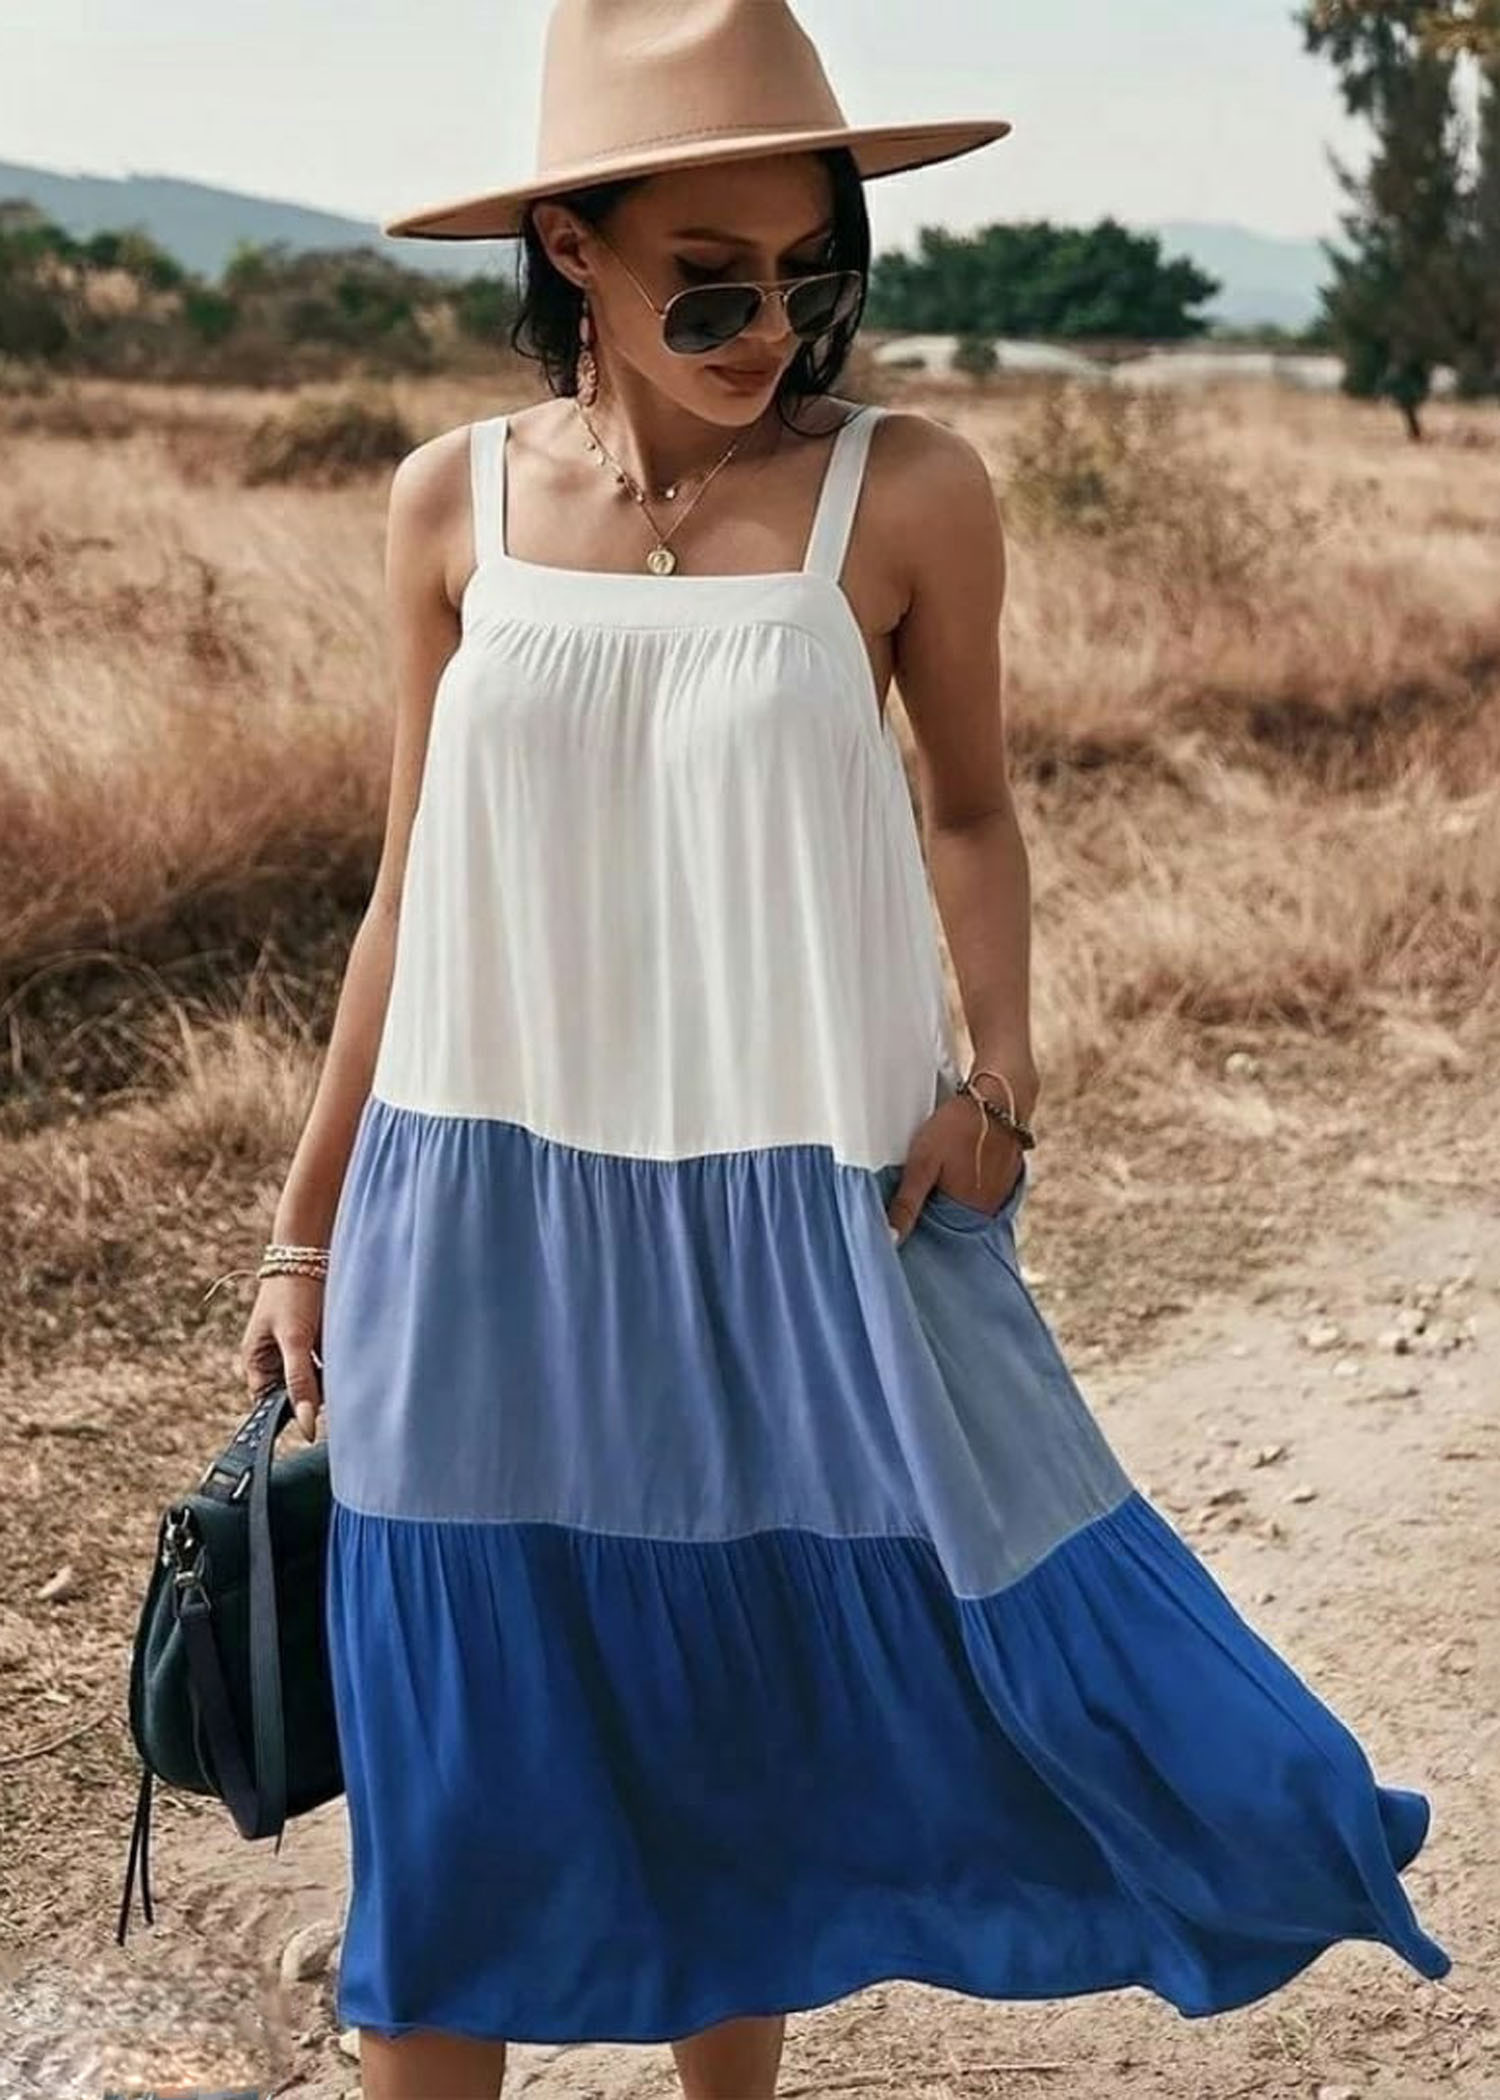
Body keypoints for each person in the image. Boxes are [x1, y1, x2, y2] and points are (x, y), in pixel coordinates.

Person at [237, 3, 1451, 2096]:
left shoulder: (907, 493)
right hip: (477, 1216)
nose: (773, 325)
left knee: (748, 1724)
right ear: (571, 247)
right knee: (458, 1775)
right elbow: (407, 886)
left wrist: (1003, 1089)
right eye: (709, 277)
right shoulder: (452, 506)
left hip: (779, 1205)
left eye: (814, 274)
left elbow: (971, 811)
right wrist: (303, 1222)